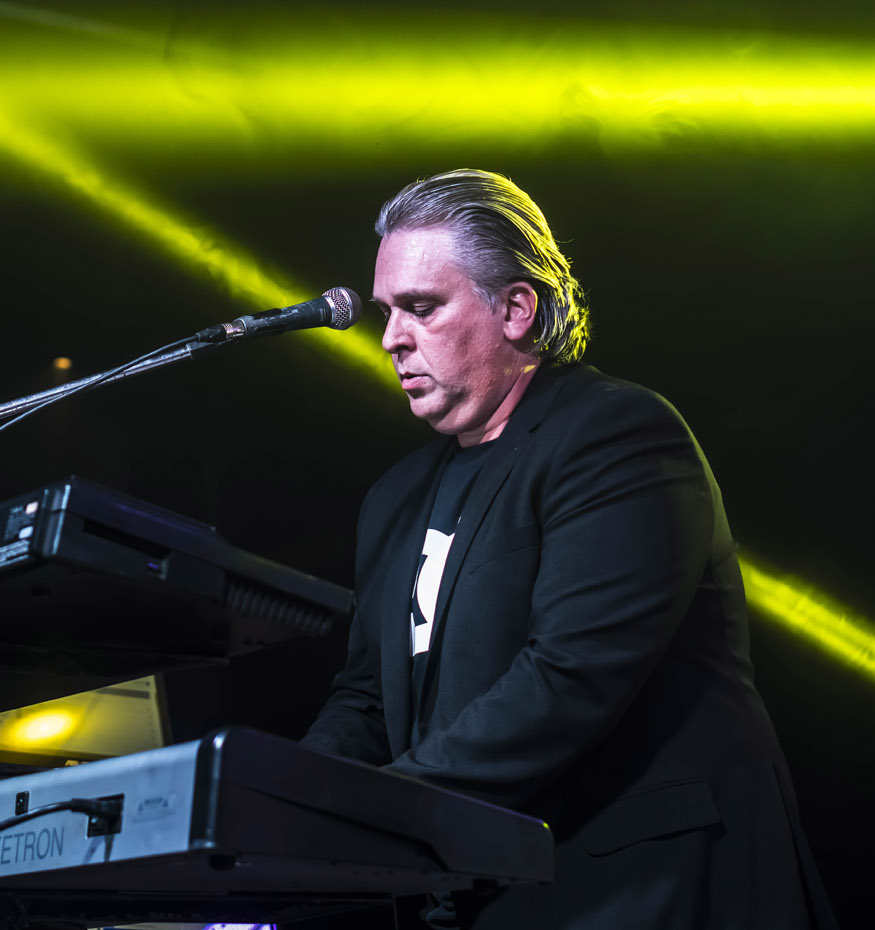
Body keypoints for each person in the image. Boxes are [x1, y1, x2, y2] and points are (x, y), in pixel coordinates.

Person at [301, 169, 835, 929]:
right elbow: (366, 698)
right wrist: (288, 798)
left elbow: (571, 674)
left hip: (644, 888)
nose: (391, 338)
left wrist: (374, 807)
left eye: (421, 307)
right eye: (387, 312)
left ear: (516, 309)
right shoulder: (396, 496)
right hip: (488, 889)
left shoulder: (614, 434)